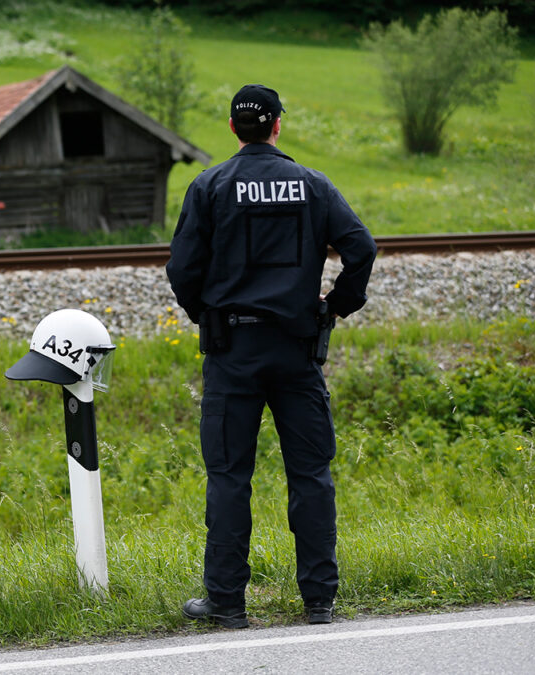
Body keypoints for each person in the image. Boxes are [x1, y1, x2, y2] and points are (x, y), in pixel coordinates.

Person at [165, 84, 377, 628]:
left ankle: (227, 603)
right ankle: (319, 601)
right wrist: (335, 306)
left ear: (234, 128)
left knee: (230, 475)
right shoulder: (312, 184)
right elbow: (361, 248)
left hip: (232, 348)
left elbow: (182, 270)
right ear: (277, 125)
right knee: (310, 473)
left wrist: (206, 314)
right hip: (296, 349)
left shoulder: (210, 185)